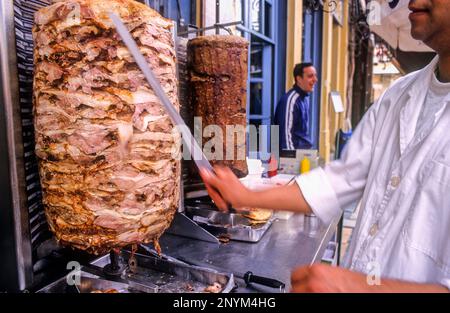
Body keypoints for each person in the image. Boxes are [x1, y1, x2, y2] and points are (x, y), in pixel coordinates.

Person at [200, 0, 450, 292]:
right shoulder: (398, 95)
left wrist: (362, 287)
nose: (413, 2)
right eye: (310, 76)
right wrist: (246, 194)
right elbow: (341, 179)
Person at [273, 63, 318, 150]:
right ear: (299, 79)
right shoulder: (291, 100)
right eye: (310, 76)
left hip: (302, 156)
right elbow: (285, 137)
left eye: (315, 76)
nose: (315, 79)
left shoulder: (303, 99)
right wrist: (290, 162)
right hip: (291, 159)